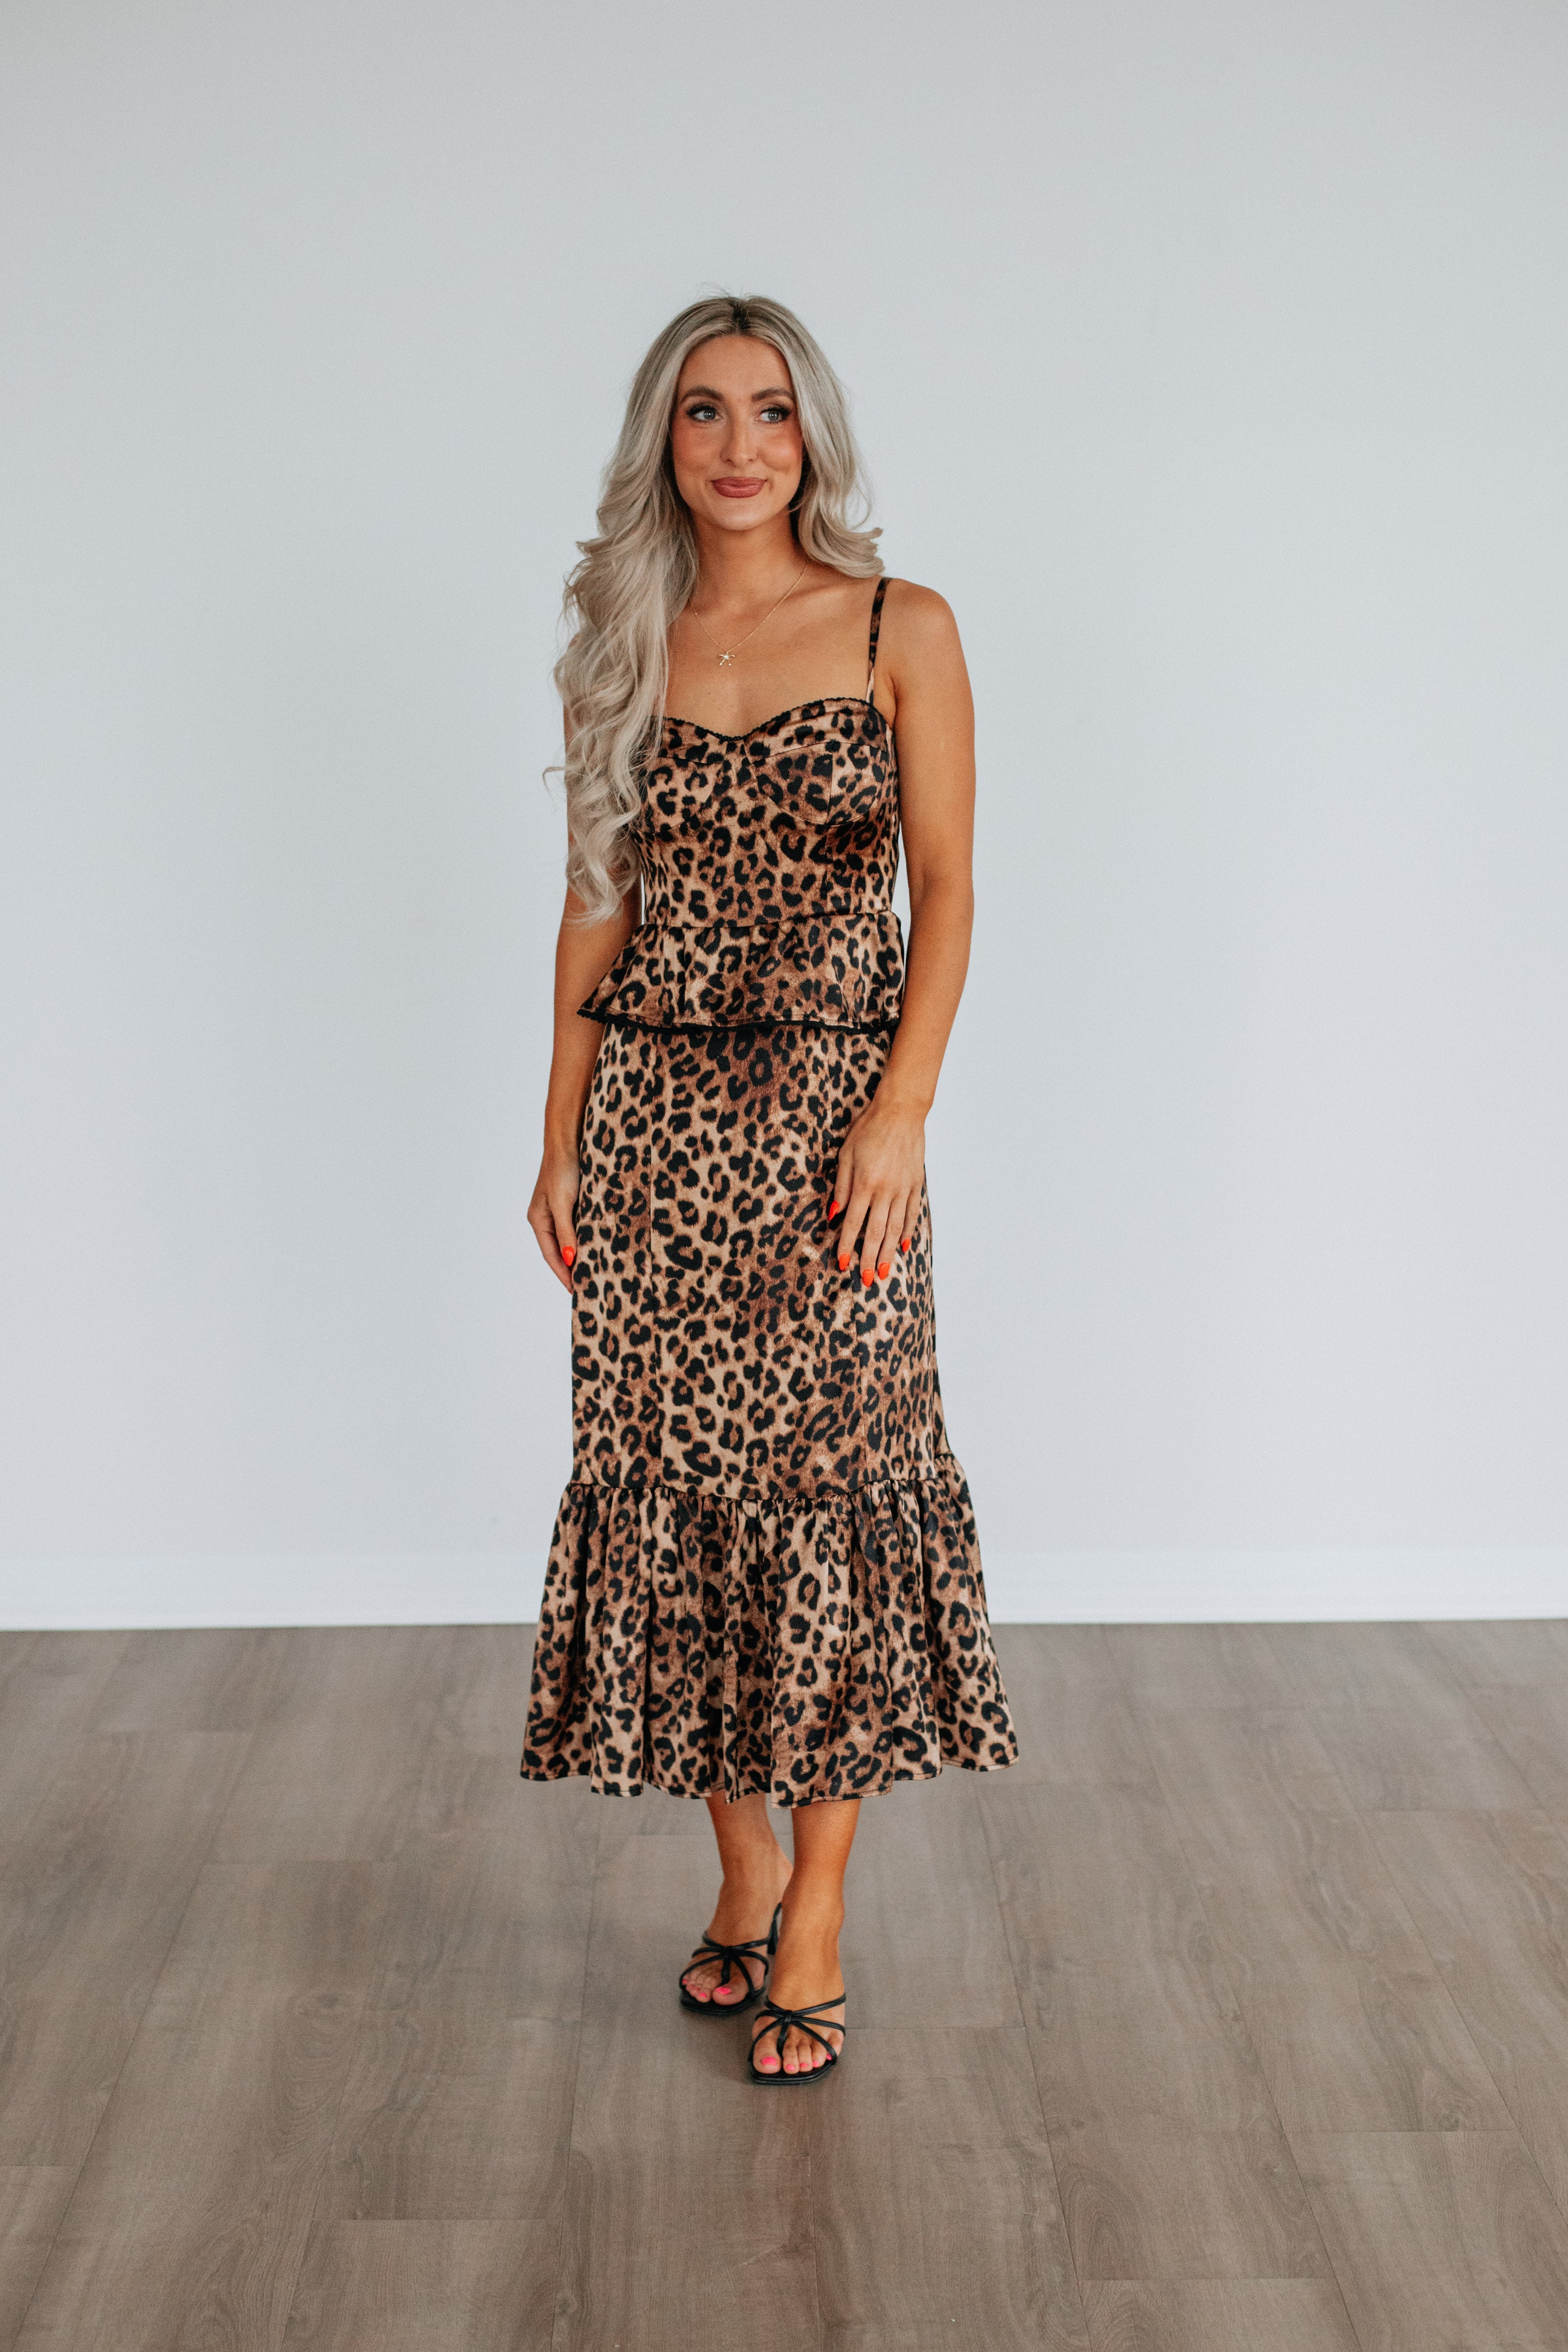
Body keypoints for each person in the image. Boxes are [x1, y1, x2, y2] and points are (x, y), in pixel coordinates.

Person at [521, 294, 1017, 2083]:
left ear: (815, 437)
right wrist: (560, 1132)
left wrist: (901, 1115)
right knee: (677, 1504)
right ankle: (739, 1869)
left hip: (830, 1135)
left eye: (773, 412)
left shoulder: (901, 624)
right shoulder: (620, 641)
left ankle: (817, 1906)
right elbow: (595, 900)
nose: (741, 448)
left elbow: (946, 888)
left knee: (833, 1502)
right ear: (662, 440)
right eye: (705, 413)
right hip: (657, 1141)